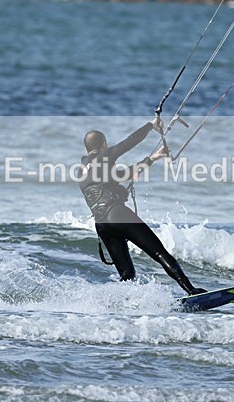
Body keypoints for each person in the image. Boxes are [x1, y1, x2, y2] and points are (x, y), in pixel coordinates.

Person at [79, 118, 206, 295]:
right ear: (104, 144)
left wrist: (152, 158)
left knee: (127, 275)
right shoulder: (104, 156)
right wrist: (150, 126)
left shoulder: (83, 170)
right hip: (117, 214)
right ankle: (191, 290)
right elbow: (129, 143)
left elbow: (123, 174)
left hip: (102, 226)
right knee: (159, 253)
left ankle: (125, 305)